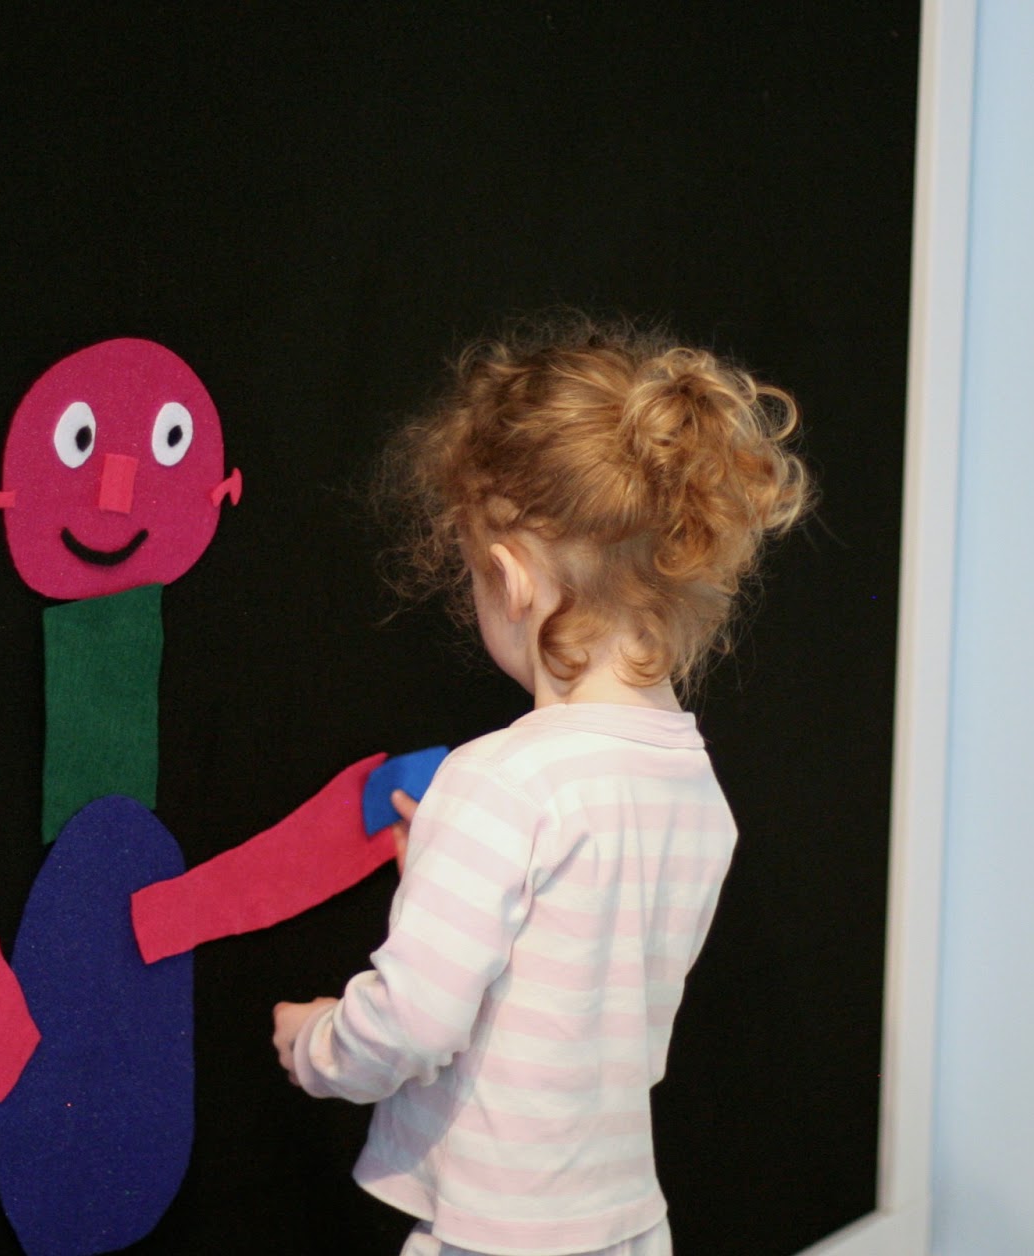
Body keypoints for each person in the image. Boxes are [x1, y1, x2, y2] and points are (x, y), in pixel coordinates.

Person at [271, 314, 812, 1256]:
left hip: (498, 1231)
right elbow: (582, 961)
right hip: (625, 1220)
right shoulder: (692, 783)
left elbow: (412, 1023)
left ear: (510, 576)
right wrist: (449, 869)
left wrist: (318, 1044)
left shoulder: (500, 781)